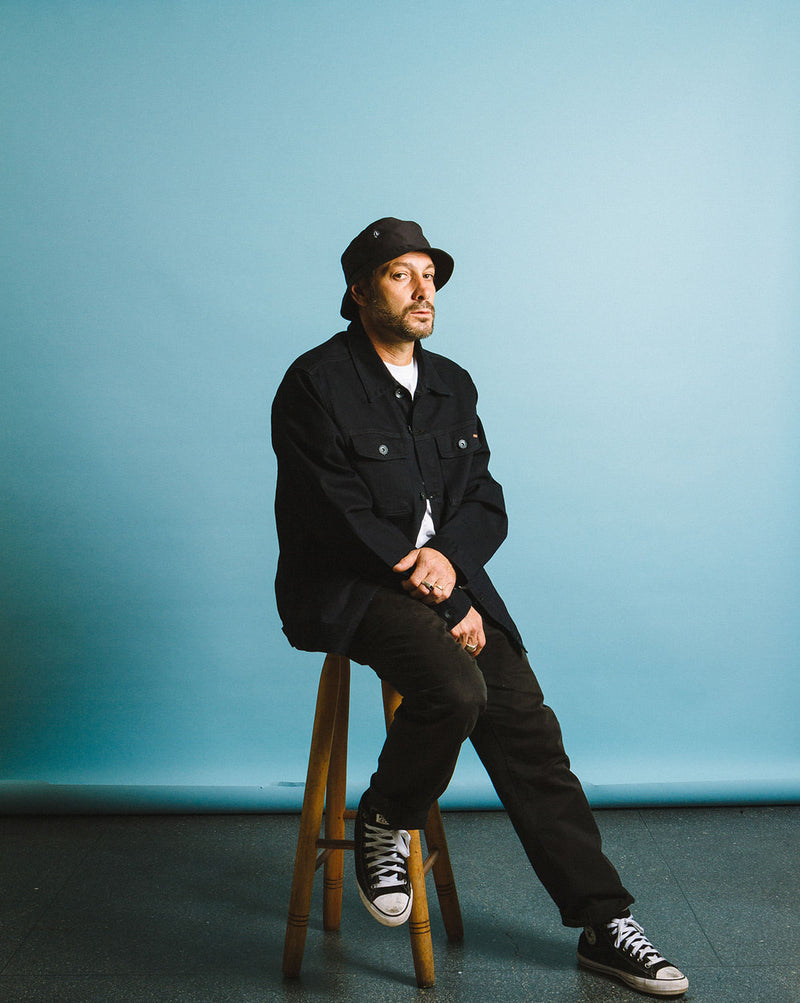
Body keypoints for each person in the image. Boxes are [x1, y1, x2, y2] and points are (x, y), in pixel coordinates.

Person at [271, 217, 688, 998]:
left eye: (430, 275)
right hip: (350, 587)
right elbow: (335, 514)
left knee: (527, 725)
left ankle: (604, 921)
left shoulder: (452, 384)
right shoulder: (314, 383)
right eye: (401, 274)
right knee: (456, 689)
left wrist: (453, 572)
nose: (423, 290)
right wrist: (443, 590)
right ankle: (386, 816)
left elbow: (485, 500)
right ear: (358, 291)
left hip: (448, 584)